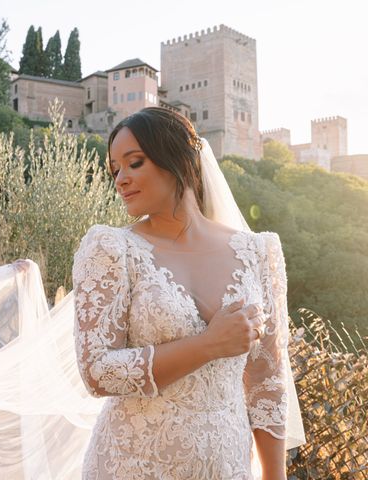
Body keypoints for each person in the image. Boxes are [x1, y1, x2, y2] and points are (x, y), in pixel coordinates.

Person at [72, 107, 299, 479]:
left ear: (179, 158)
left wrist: (275, 477)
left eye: (135, 162)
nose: (121, 179)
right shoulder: (111, 249)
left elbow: (267, 382)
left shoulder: (260, 253)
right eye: (115, 169)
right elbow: (97, 371)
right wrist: (209, 344)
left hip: (226, 466)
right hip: (132, 465)